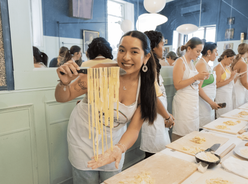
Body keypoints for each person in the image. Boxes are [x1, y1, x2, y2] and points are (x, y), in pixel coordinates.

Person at [55, 30, 174, 184]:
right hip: (82, 138)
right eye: (122, 50)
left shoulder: (145, 87)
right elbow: (63, 97)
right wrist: (64, 83)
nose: (126, 57)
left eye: (134, 52)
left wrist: (118, 148)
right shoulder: (101, 71)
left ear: (146, 57)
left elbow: (134, 129)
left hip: (114, 142)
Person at [140, 30, 171, 158]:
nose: (164, 49)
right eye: (162, 44)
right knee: (155, 156)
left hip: (160, 114)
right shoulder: (148, 65)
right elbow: (152, 96)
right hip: (154, 115)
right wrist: (167, 116)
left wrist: (166, 114)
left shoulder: (154, 64)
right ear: (153, 46)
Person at [172, 37, 209, 141]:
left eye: (200, 52)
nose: (199, 54)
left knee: (192, 133)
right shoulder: (180, 62)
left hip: (192, 103)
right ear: (189, 49)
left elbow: (194, 83)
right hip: (183, 104)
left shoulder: (192, 63)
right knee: (181, 132)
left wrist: (202, 77)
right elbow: (177, 85)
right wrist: (196, 77)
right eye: (197, 51)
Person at [195, 42, 220, 127]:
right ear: (209, 52)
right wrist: (211, 102)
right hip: (203, 103)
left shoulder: (206, 64)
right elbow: (198, 88)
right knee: (203, 128)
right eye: (215, 51)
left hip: (209, 103)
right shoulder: (202, 64)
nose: (217, 54)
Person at [231, 43, 248, 108]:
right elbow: (244, 82)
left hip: (235, 88)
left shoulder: (237, 60)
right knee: (237, 110)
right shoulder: (243, 63)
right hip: (238, 90)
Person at [214, 49, 237, 118]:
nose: (232, 62)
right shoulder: (218, 67)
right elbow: (217, 85)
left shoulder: (228, 68)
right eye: (231, 59)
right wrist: (231, 78)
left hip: (228, 95)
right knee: (222, 116)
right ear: (225, 57)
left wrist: (236, 77)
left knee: (229, 115)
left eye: (233, 60)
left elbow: (230, 82)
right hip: (221, 96)